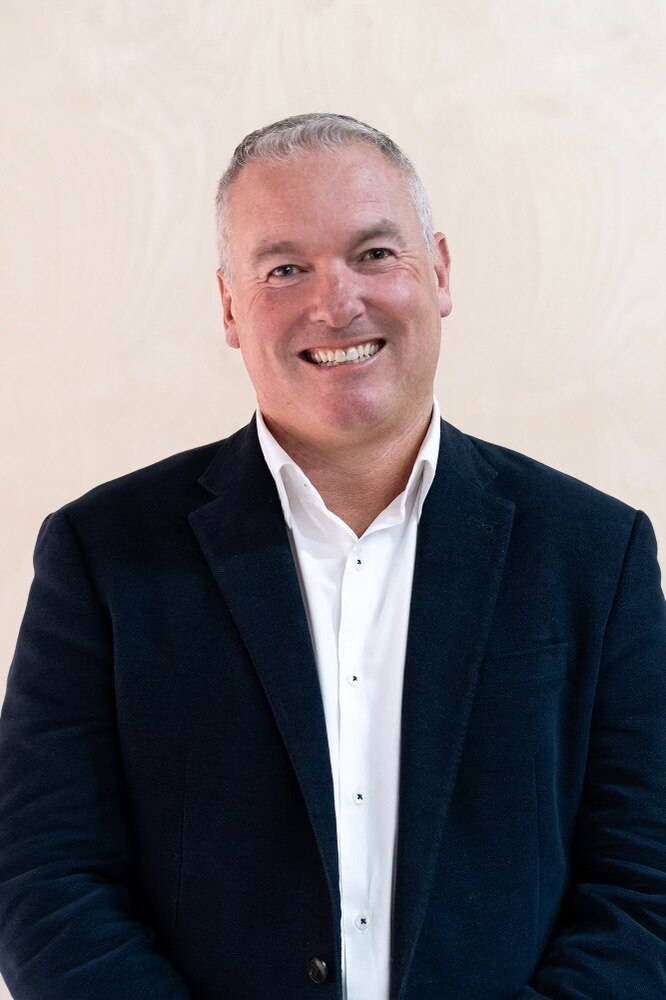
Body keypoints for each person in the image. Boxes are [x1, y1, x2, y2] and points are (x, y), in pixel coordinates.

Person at [0, 112, 664, 1000]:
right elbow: (43, 882)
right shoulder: (101, 555)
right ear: (230, 308)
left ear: (440, 271)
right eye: (285, 269)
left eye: (374, 254)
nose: (335, 303)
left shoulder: (596, 554)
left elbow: (645, 887)